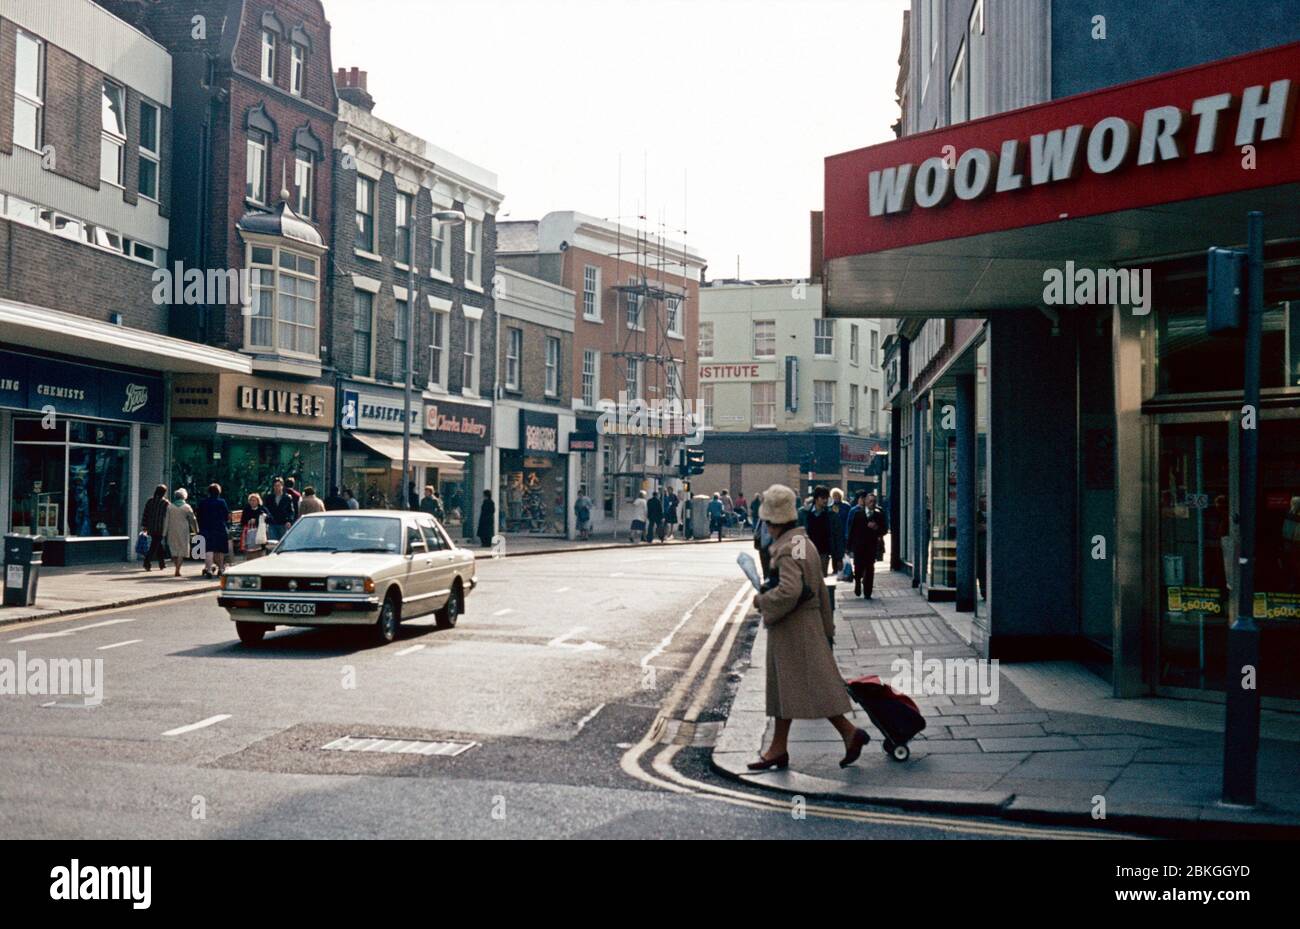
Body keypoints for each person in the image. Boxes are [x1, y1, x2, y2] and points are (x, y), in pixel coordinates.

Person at [747, 484, 868, 772]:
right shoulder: (801, 541)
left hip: (794, 629)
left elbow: (790, 591)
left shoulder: (788, 548)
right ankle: (781, 748)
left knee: (805, 687)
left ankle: (848, 733)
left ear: (774, 522)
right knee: (793, 688)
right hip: (807, 625)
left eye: (766, 522)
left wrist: (762, 600)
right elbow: (813, 586)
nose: (765, 527)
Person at [846, 491, 888, 599]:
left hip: (871, 546)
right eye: (870, 501)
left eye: (874, 502)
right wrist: (848, 546)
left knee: (870, 568)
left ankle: (868, 590)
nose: (872, 504)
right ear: (865, 502)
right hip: (859, 546)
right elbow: (852, 530)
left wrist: (876, 528)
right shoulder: (858, 514)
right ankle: (858, 583)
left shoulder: (879, 514)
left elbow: (884, 530)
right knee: (858, 567)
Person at [800, 486, 840, 577]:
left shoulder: (831, 515)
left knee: (821, 579)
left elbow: (837, 535)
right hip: (807, 552)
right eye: (823, 498)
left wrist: (839, 557)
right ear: (816, 499)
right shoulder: (804, 513)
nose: (825, 500)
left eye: (827, 498)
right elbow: (797, 535)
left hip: (824, 552)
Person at [196, 483, 231, 578]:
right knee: (219, 550)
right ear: (219, 492)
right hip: (219, 528)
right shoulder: (222, 502)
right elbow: (226, 516)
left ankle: (209, 569)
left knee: (208, 550)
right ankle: (220, 569)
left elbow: (198, 516)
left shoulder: (203, 503)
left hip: (206, 528)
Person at [164, 488, 198, 578]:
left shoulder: (170, 507)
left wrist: (164, 532)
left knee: (173, 549)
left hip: (172, 530)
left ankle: (176, 566)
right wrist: (196, 530)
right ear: (184, 497)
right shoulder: (187, 507)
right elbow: (193, 520)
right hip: (183, 530)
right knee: (182, 550)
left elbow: (166, 520)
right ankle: (178, 569)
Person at [140, 484, 170, 572]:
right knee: (154, 545)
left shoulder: (150, 501)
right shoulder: (166, 503)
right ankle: (147, 561)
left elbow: (145, 513)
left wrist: (145, 525)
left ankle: (162, 563)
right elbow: (168, 516)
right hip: (160, 527)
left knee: (157, 544)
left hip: (151, 526)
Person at [240, 493, 272, 560]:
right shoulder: (246, 509)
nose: (252, 502)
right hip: (249, 534)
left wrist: (259, 519)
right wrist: (248, 521)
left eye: (254, 500)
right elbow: (242, 521)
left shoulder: (262, 509)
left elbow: (270, 518)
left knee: (261, 552)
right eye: (251, 500)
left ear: (258, 501)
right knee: (250, 554)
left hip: (260, 533)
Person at [828, 488, 851, 574]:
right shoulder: (830, 507)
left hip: (843, 532)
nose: (836, 497)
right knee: (834, 552)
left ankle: (842, 568)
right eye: (834, 496)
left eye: (837, 496)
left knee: (842, 551)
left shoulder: (846, 506)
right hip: (834, 533)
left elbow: (849, 520)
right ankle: (835, 569)